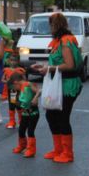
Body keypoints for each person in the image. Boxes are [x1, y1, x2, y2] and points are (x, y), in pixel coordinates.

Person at [33, 13, 83, 163]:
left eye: (51, 25)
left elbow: (69, 65)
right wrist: (45, 67)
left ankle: (67, 153)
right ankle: (59, 149)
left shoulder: (66, 42)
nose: (50, 28)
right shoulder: (60, 41)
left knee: (62, 117)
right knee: (51, 115)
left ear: (55, 25)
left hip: (68, 85)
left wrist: (49, 69)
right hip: (60, 83)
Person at [9, 72, 40, 158]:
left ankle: (31, 150)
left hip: (33, 113)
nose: (15, 89)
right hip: (25, 113)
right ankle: (22, 146)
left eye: (14, 87)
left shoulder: (28, 84)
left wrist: (35, 98)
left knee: (30, 131)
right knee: (21, 130)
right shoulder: (21, 88)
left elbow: (39, 91)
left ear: (16, 82)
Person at [2, 54, 26, 129]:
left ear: (18, 61)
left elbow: (25, 80)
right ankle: (12, 121)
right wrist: (7, 81)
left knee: (19, 106)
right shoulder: (6, 70)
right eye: (11, 60)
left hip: (19, 91)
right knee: (12, 106)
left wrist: (19, 83)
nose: (13, 62)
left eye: (15, 60)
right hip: (11, 91)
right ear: (9, 61)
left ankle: (21, 121)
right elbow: (2, 79)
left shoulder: (20, 70)